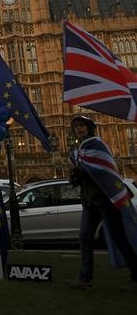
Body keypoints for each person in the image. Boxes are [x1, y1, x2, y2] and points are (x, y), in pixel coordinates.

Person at [65, 115, 137, 291]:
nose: (78, 129)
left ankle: (136, 276)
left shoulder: (96, 145)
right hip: (90, 201)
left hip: (105, 200)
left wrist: (80, 170)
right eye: (76, 127)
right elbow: (82, 173)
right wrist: (74, 175)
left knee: (119, 237)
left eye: (82, 126)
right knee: (85, 237)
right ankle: (85, 278)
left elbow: (102, 170)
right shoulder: (79, 150)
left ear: (89, 127)